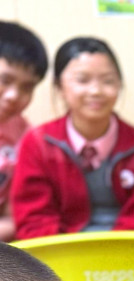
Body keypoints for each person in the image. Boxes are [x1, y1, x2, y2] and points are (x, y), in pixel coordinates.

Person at [11, 37, 134, 239]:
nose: (96, 91)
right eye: (82, 80)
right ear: (59, 87)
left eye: (108, 81)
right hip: (58, 253)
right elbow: (34, 221)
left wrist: (107, 254)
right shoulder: (37, 144)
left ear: (120, 85)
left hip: (127, 251)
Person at [0, 22, 46, 241]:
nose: (14, 96)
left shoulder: (26, 137)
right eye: (5, 80)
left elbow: (14, 218)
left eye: (27, 87)